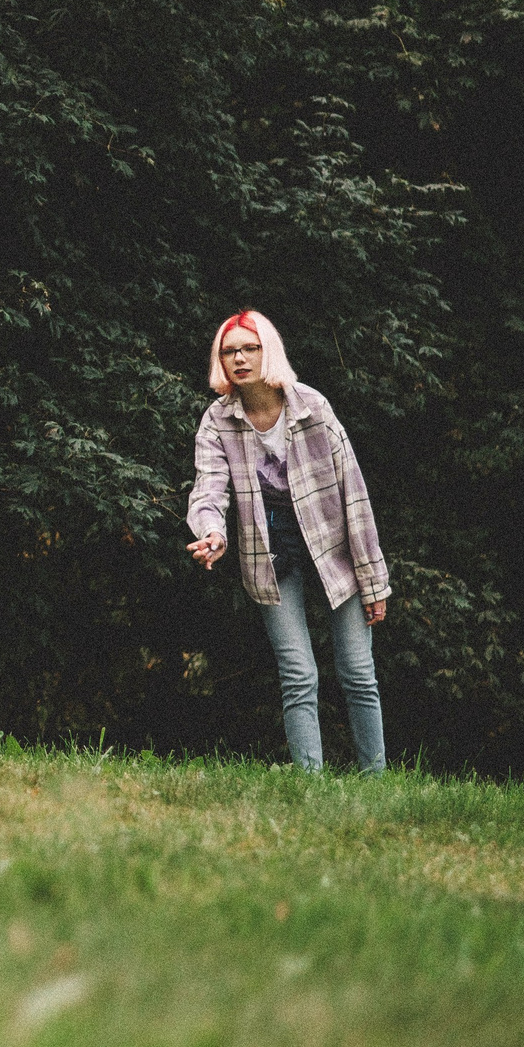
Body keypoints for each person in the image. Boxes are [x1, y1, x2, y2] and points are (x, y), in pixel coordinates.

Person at [185, 309, 390, 773]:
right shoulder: (217, 420)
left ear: (267, 352)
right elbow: (209, 489)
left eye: (249, 348)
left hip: (334, 544)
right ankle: (308, 784)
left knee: (358, 671)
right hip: (269, 547)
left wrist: (374, 581)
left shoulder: (312, 407)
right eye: (229, 350)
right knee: (298, 674)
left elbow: (353, 494)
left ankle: (377, 781)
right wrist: (212, 533)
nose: (239, 358)